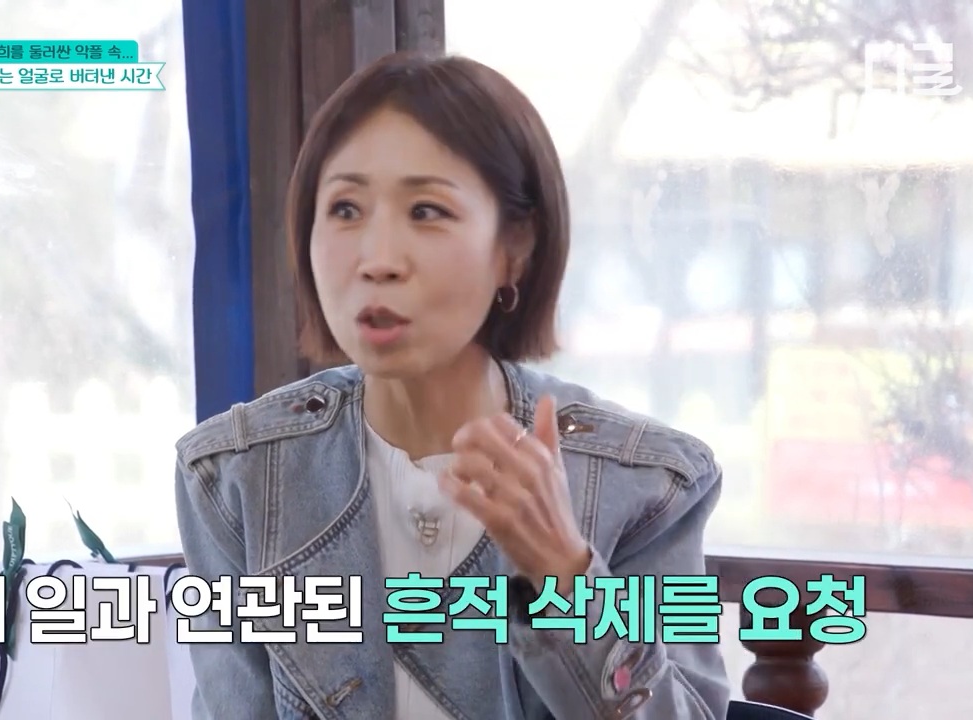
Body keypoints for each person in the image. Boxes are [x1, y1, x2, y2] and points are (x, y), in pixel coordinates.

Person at [173, 49, 730, 720]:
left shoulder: (646, 485)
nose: (378, 260)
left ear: (514, 248)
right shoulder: (236, 476)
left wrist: (565, 573)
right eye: (345, 208)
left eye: (426, 211)